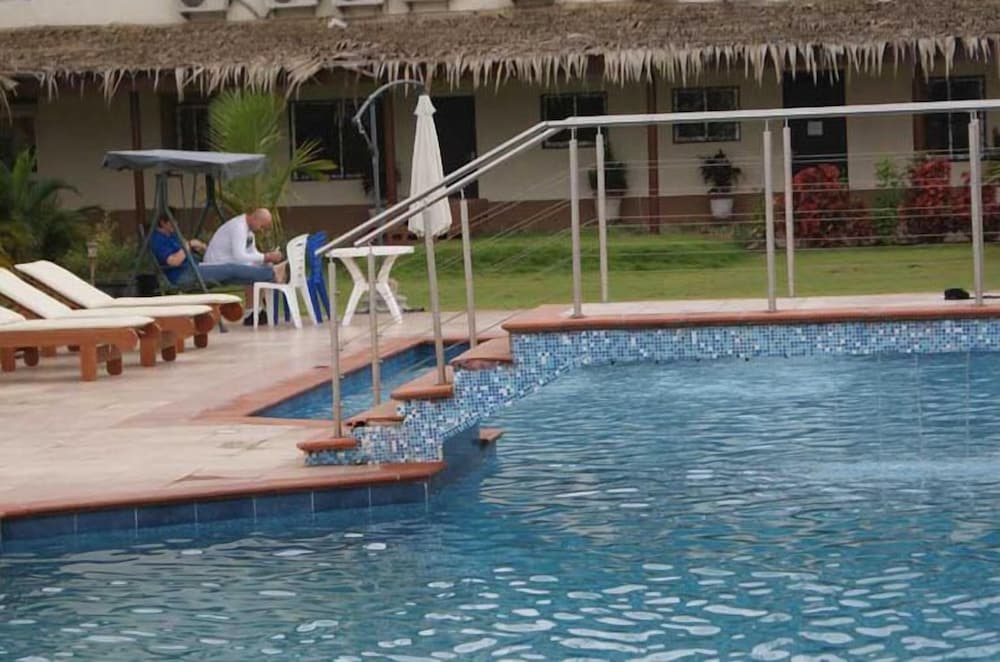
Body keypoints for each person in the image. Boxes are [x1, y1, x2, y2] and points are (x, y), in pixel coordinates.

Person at [149, 214, 286, 291]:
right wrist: (189, 244)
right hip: (183, 275)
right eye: (173, 222)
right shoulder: (157, 240)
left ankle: (269, 278)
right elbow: (173, 261)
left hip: (196, 267)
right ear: (163, 223)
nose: (176, 224)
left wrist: (200, 247)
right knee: (230, 268)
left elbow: (185, 249)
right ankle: (272, 273)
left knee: (237, 276)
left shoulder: (172, 236)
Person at [203, 208, 284, 268]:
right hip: (216, 265)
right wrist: (265, 257)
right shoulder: (239, 227)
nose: (261, 231)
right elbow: (239, 257)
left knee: (268, 266)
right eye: (261, 227)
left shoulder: (249, 230)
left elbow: (252, 252)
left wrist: (268, 258)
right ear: (255, 219)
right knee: (258, 272)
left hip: (230, 263)